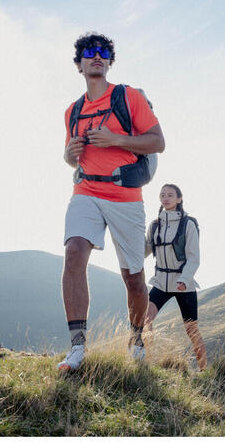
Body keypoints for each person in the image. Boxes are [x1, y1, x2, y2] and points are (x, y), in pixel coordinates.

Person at [59, 31, 165, 371]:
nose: (97, 56)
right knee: (74, 252)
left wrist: (115, 139)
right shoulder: (72, 111)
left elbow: (158, 142)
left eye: (104, 52)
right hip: (86, 192)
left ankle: (136, 339)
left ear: (109, 61)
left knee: (133, 278)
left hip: (125, 198)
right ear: (78, 64)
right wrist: (70, 154)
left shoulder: (128, 97)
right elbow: (70, 157)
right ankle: (77, 348)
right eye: (89, 52)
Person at [145, 183, 207, 370]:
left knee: (191, 329)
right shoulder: (155, 225)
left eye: (171, 195)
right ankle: (147, 364)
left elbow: (194, 258)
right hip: (161, 283)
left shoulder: (188, 224)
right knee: (145, 320)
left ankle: (204, 370)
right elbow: (145, 249)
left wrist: (184, 279)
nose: (166, 198)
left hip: (183, 284)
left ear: (179, 199)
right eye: (163, 194)